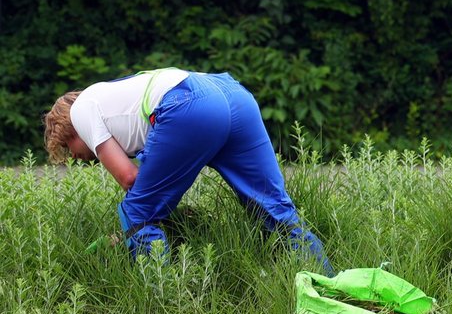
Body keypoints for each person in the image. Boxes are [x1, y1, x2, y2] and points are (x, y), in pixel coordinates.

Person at [43, 68, 335, 274]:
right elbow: (160, 176)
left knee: (136, 213)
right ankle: (328, 287)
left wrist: (135, 226)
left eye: (69, 148)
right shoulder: (114, 100)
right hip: (232, 94)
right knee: (275, 208)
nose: (76, 157)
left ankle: (167, 302)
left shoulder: (81, 111)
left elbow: (130, 179)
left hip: (189, 104)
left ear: (68, 129)